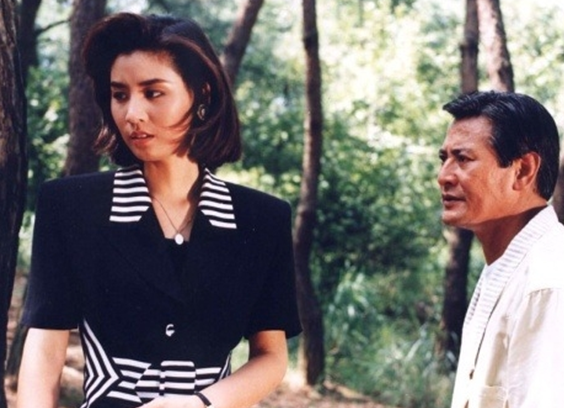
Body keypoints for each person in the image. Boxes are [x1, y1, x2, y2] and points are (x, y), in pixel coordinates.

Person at [17, 12, 301, 408]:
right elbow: (44, 349)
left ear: (202, 94)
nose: (132, 114)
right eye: (120, 95)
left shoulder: (263, 220)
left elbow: (271, 357)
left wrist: (197, 404)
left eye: (153, 93)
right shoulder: (70, 207)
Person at [438, 90, 564, 408]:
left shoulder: (548, 284)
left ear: (523, 171)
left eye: (463, 159)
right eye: (444, 159)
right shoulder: (509, 265)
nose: (443, 176)